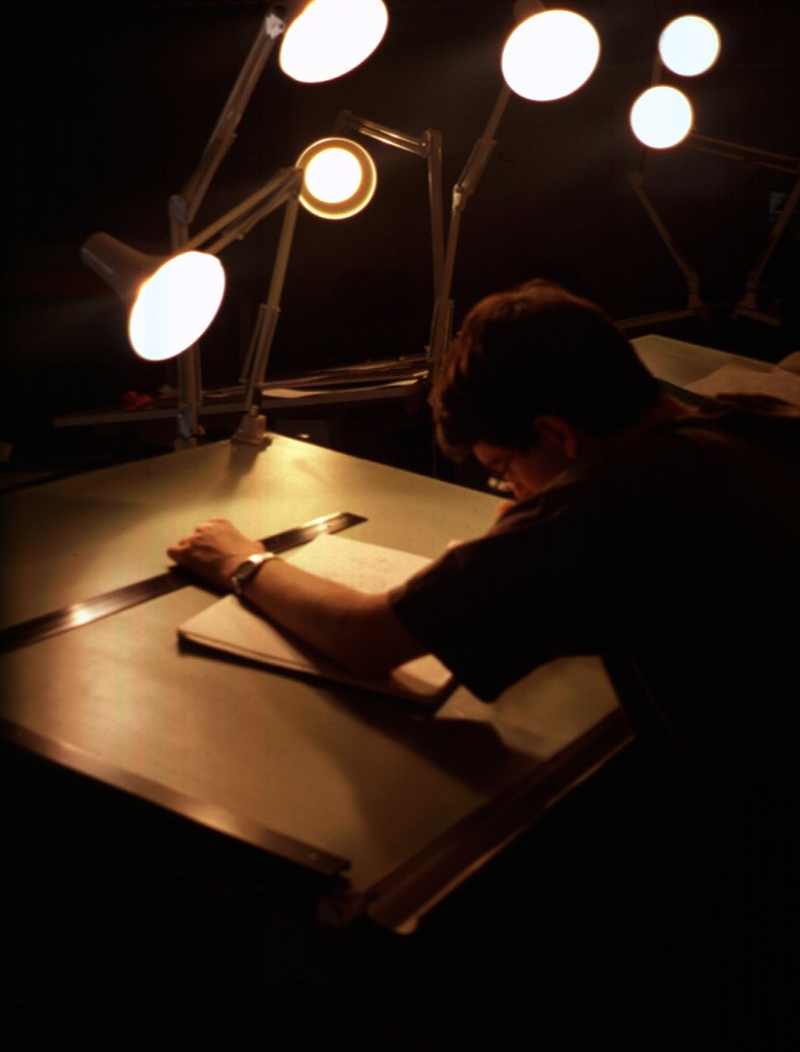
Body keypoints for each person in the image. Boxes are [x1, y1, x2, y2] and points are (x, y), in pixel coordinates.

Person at [169, 278, 799, 786]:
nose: (511, 491)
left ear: (555, 433)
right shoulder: (743, 425)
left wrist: (243, 561)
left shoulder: (606, 500)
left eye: (503, 469)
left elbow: (365, 637)